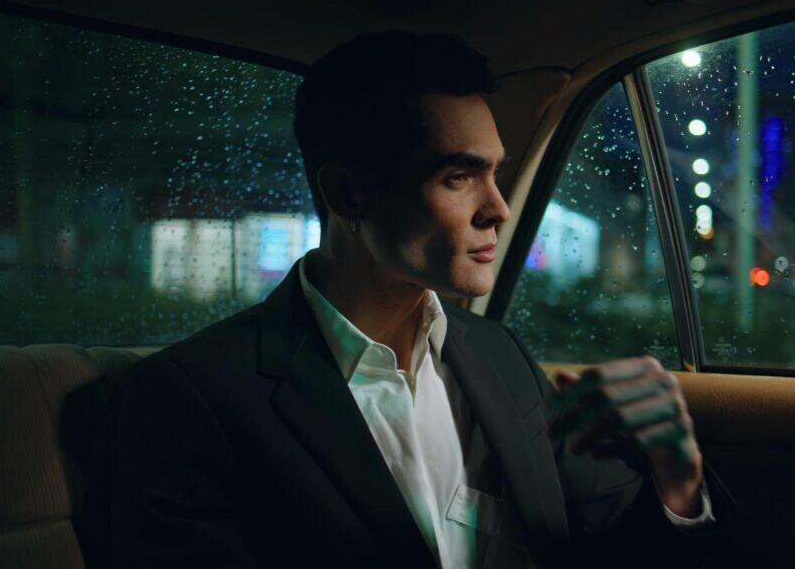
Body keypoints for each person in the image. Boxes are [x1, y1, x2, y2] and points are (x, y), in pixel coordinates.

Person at [111, 31, 733, 568]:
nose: (499, 208)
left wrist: (676, 479)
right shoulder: (193, 399)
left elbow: (608, 550)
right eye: (459, 177)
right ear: (350, 195)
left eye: (495, 172)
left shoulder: (499, 357)